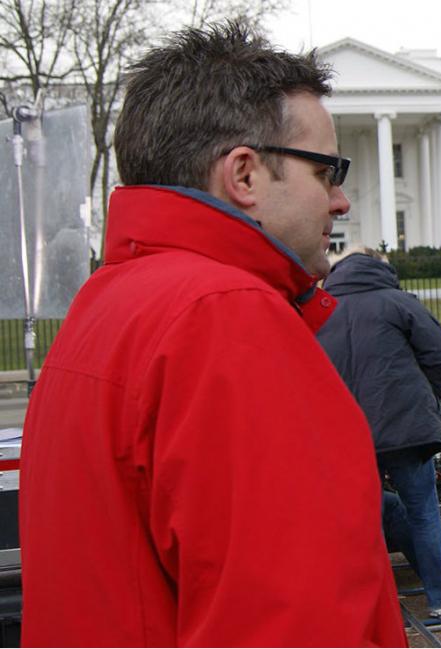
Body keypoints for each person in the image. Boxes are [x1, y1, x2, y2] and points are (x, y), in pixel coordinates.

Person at [17, 22, 405, 647]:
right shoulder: (227, 316)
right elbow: (292, 621)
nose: (340, 201)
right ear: (244, 175)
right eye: (327, 171)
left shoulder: (107, 301)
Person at [317, 250, 441, 617]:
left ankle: (372, 603)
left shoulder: (321, 308)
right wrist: (429, 399)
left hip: (349, 432)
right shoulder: (398, 302)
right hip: (405, 425)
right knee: (423, 511)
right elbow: (438, 353)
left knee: (364, 515)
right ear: (380, 268)